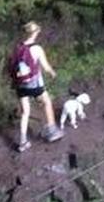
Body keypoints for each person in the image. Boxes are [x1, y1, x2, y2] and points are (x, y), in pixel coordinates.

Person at [9, 21, 63, 152]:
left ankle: (23, 142)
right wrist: (52, 73)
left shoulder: (17, 47)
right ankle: (52, 131)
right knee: (46, 102)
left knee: (25, 112)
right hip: (34, 84)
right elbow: (45, 66)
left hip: (20, 84)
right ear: (35, 33)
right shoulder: (37, 48)